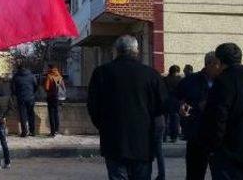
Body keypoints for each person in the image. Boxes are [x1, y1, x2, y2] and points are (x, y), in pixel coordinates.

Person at [87, 35, 167, 180]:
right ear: (136, 51)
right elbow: (162, 106)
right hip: (142, 143)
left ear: (117, 51)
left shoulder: (101, 73)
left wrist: (104, 126)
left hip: (113, 141)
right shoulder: (150, 74)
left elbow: (93, 107)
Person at [198, 43, 243, 180]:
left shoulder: (223, 82)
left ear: (219, 62)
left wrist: (213, 148)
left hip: (230, 158)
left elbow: (218, 119)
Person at [177, 51, 222, 180]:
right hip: (197, 135)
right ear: (209, 64)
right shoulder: (191, 81)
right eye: (218, 64)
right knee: (194, 174)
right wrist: (185, 107)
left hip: (218, 137)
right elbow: (175, 98)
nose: (221, 68)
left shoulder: (224, 81)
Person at [11, 64, 38, 137]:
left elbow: (13, 88)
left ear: (18, 69)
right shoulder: (32, 76)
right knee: (31, 114)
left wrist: (17, 94)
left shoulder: (16, 77)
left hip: (21, 98)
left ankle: (24, 132)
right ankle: (32, 131)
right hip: (31, 98)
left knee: (23, 115)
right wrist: (32, 93)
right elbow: (36, 86)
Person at [163, 65, 182, 143]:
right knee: (175, 119)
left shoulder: (165, 79)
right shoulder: (179, 80)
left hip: (166, 101)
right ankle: (174, 136)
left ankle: (164, 136)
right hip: (176, 101)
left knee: (165, 119)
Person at [44, 64, 64, 137]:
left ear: (50, 68)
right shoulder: (60, 77)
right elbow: (63, 87)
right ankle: (56, 130)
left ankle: (52, 132)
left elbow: (46, 88)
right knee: (56, 114)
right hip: (58, 98)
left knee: (51, 114)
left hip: (51, 97)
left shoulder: (49, 76)